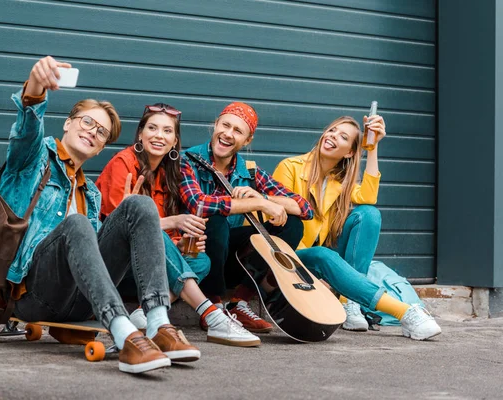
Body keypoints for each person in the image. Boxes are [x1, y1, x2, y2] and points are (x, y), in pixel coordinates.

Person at [0, 56, 200, 374]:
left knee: (139, 206)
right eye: (87, 122)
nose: (93, 132)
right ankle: (125, 336)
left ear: (101, 147)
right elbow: (27, 127)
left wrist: (132, 219)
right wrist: (36, 86)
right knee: (75, 224)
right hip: (33, 295)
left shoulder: (90, 194)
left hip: (78, 299)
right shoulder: (32, 162)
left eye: (102, 132)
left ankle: (159, 325)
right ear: (68, 122)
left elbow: (93, 257)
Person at [96, 103, 261, 347]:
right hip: (116, 267)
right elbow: (119, 227)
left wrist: (179, 243)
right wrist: (173, 221)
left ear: (175, 142)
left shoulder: (169, 173)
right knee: (149, 225)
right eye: (152, 128)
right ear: (140, 133)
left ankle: (145, 311)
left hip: (149, 271)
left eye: (167, 131)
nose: (158, 136)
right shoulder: (123, 164)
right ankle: (212, 314)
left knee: (200, 260)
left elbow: (161, 238)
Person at [272, 115, 441, 340]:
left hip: (323, 258)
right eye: (332, 130)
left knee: (369, 214)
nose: (332, 135)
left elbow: (369, 197)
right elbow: (280, 222)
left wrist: (372, 147)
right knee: (322, 255)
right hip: (291, 255)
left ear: (350, 152)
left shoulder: (338, 181)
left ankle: (350, 302)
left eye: (342, 137)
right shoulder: (290, 167)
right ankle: (405, 313)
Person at [180, 102, 314, 333]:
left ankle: (239, 302)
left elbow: (305, 208)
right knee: (216, 219)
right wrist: (258, 203)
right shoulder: (187, 160)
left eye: (238, 131)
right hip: (194, 253)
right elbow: (199, 204)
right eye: (225, 125)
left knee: (292, 224)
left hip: (231, 260)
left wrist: (263, 196)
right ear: (216, 125)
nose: (228, 134)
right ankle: (212, 304)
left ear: (247, 140)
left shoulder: (249, 171)